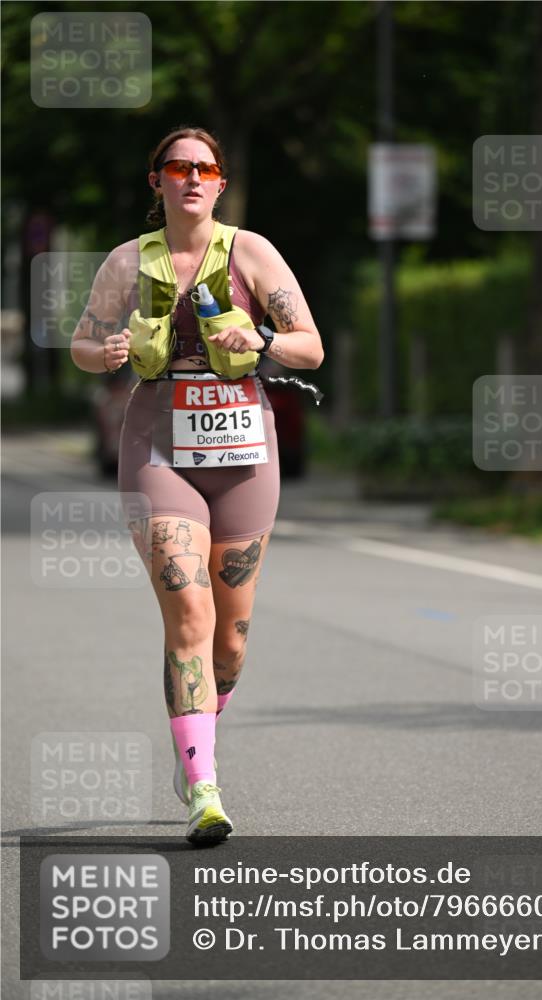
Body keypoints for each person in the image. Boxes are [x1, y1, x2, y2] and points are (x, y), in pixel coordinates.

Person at [70, 125, 324, 845]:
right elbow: (82, 343)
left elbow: (311, 347)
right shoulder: (127, 261)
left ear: (220, 183)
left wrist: (263, 339)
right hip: (158, 446)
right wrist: (104, 352)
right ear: (157, 181)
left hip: (243, 450)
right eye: (177, 167)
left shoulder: (252, 252)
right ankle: (203, 787)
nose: (191, 178)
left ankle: (198, 735)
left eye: (204, 168)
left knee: (230, 641)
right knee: (188, 612)